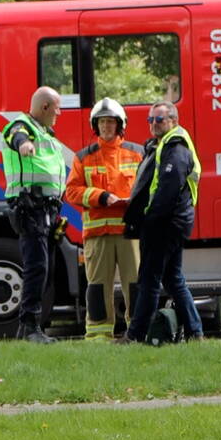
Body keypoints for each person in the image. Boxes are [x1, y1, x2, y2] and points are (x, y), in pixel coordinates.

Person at [120, 101, 204, 344]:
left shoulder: (175, 148)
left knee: (149, 279)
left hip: (165, 224)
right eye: (150, 120)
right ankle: (195, 332)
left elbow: (167, 190)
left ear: (173, 121)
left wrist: (150, 220)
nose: (154, 124)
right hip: (172, 223)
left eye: (159, 119)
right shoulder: (162, 145)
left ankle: (135, 335)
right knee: (173, 279)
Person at [65, 98, 143, 340]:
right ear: (95, 126)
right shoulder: (83, 157)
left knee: (136, 285)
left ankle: (138, 332)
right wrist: (101, 196)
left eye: (110, 122)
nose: (106, 126)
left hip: (130, 232)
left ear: (120, 125)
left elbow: (148, 187)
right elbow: (71, 192)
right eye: (102, 122)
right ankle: (99, 336)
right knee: (98, 287)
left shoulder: (137, 153)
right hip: (98, 235)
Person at [0, 86, 66, 344]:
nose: (59, 114)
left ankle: (30, 328)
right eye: (57, 109)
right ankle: (30, 328)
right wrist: (24, 144)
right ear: (45, 107)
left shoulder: (45, 133)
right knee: (37, 268)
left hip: (47, 209)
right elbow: (15, 135)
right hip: (30, 207)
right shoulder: (22, 125)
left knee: (44, 269)